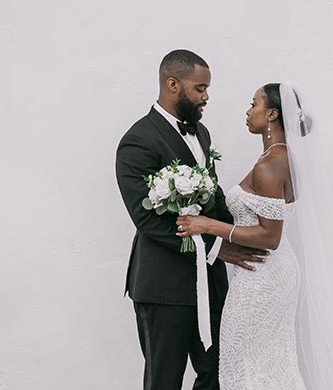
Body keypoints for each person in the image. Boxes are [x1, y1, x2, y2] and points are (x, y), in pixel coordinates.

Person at [115, 50, 268, 390]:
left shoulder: (201, 133)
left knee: (219, 374)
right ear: (172, 85)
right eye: (200, 88)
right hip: (163, 286)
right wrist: (216, 248)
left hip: (211, 285)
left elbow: (211, 196)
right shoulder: (137, 141)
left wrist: (244, 232)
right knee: (164, 381)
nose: (206, 97)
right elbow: (147, 220)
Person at [175, 83, 305, 390]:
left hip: (263, 274)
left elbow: (270, 236)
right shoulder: (283, 158)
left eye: (254, 104)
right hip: (269, 271)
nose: (248, 112)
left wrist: (207, 225)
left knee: (244, 359)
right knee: (265, 361)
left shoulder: (271, 164)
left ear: (272, 114)